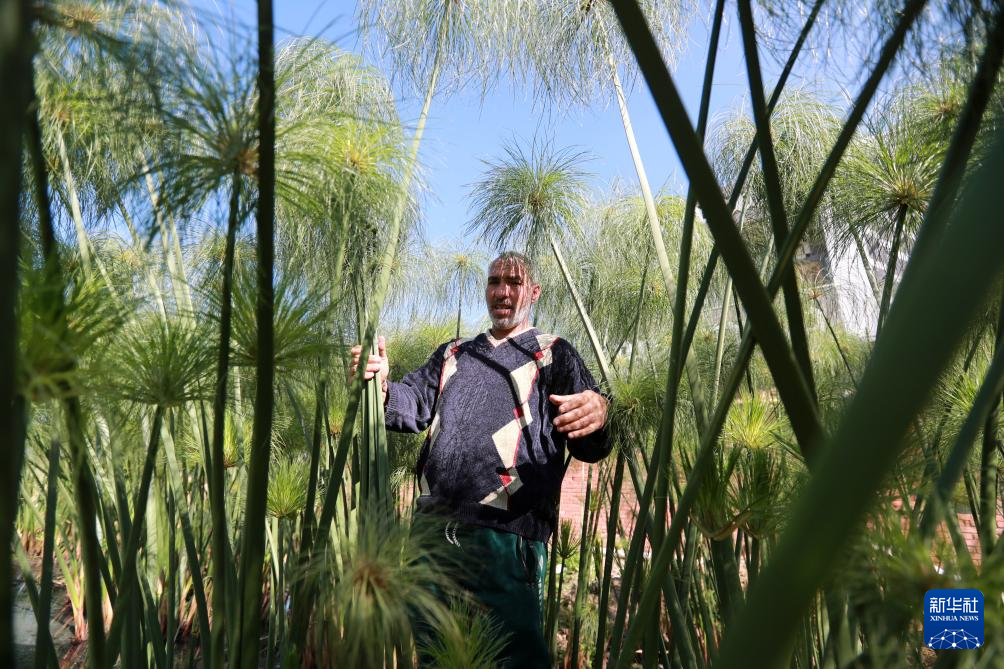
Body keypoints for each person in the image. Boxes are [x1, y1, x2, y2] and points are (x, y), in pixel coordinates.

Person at [351, 251, 611, 667]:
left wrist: (600, 411)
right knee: (435, 655)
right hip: (432, 535)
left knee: (511, 659)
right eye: (494, 282)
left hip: (507, 539)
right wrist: (380, 388)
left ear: (534, 292)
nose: (503, 291)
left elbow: (591, 445)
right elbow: (411, 405)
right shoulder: (453, 353)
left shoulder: (553, 354)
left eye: (514, 282)